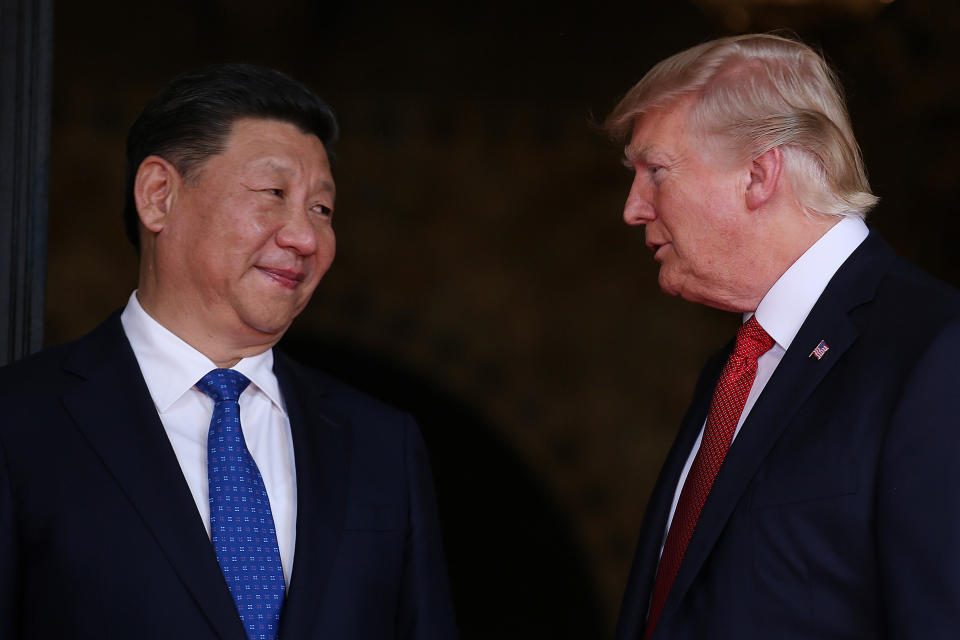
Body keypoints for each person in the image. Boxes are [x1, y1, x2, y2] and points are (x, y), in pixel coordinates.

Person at [0, 64, 457, 640]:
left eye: (322, 209)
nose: (306, 238)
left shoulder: (380, 444)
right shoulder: (19, 423)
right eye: (274, 194)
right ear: (158, 196)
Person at [605, 33, 960, 639]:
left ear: (758, 173)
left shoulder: (935, 352)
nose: (633, 208)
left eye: (656, 171)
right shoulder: (735, 368)